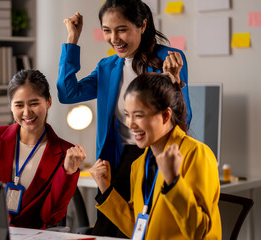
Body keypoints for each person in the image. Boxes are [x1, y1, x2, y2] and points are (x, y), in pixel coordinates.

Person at [57, 0, 192, 237]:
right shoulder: (107, 67)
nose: (114, 38)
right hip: (118, 160)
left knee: (150, 230)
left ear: (142, 25)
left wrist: (174, 80)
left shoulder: (168, 58)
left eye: (121, 29)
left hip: (156, 157)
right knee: (108, 230)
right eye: (107, 30)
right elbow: (67, 93)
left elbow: (182, 117)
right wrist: (72, 39)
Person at [89, 72, 221, 239]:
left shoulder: (196, 154)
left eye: (138, 115)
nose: (130, 124)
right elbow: (137, 227)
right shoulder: (139, 164)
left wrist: (173, 182)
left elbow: (200, 232)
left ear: (166, 115)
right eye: (127, 115)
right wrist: (105, 189)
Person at [0, 69, 86, 229]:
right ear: (10, 106)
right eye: (19, 105)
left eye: (34, 103)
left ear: (48, 102)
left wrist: (68, 173)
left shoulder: (65, 152)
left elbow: (51, 216)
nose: (26, 112)